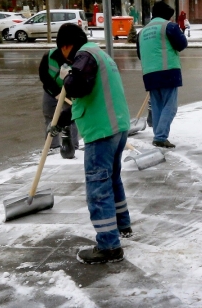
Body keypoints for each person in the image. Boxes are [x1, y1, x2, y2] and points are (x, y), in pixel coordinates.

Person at [55, 24, 132, 264]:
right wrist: (67, 117)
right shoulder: (100, 54)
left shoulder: (84, 56)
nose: (65, 56)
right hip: (117, 127)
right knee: (112, 179)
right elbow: (91, 93)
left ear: (67, 45)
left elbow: (79, 86)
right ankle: (122, 225)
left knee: (98, 190)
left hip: (101, 132)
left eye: (62, 51)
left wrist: (67, 77)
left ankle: (109, 246)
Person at [136, 1, 188, 148]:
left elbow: (140, 54)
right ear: (166, 16)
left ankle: (158, 136)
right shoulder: (169, 27)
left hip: (149, 74)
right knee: (170, 107)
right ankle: (160, 137)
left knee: (157, 105)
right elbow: (182, 44)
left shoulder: (142, 32)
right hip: (168, 71)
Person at [38, 48, 79, 159]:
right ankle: (52, 146)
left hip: (70, 90)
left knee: (73, 116)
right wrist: (55, 92)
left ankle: (73, 146)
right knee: (49, 116)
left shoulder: (78, 56)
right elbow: (43, 75)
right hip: (51, 91)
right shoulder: (49, 56)